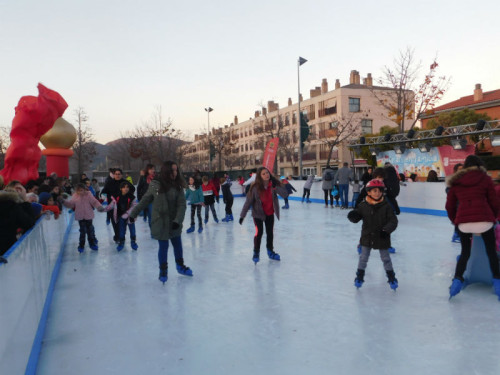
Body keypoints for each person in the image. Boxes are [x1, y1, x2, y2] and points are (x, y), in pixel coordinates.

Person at [445, 155, 500, 299]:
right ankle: (497, 282)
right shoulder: (485, 178)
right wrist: (492, 218)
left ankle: (457, 280)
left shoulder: (456, 181)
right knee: (491, 253)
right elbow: (494, 201)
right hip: (484, 221)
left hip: (464, 223)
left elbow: (449, 206)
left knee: (465, 253)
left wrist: (455, 221)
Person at [129, 161, 192, 283]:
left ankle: (180, 266)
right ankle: (163, 270)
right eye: (172, 170)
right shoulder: (155, 185)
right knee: (163, 247)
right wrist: (133, 213)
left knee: (177, 245)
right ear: (166, 171)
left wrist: (177, 220)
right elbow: (145, 200)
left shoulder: (178, 185)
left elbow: (182, 205)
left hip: (174, 221)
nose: (175, 172)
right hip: (160, 221)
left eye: (176, 170)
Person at [347, 179, 399, 290]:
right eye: (374, 191)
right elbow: (357, 217)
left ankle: (391, 278)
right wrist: (353, 217)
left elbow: (393, 221)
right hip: (367, 237)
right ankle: (359, 277)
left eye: (379, 191)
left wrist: (386, 231)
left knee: (386, 259)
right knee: (363, 258)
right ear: (369, 192)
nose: (377, 193)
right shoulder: (363, 205)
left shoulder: (386, 206)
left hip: (382, 236)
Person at [239, 167, 288, 264]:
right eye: (263, 174)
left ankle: (270, 251)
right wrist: (242, 215)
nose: (266, 175)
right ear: (259, 176)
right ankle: (256, 252)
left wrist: (276, 186)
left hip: (270, 213)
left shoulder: (273, 185)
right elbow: (248, 202)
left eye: (267, 173)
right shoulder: (254, 187)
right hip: (258, 214)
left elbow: (285, 195)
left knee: (270, 233)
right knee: (259, 233)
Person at [60, 183, 111, 253]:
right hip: (80, 216)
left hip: (88, 216)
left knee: (90, 231)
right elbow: (70, 204)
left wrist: (99, 207)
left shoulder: (88, 195)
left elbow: (94, 202)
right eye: (78, 190)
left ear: (84, 190)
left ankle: (92, 244)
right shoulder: (75, 196)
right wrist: (64, 202)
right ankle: (81, 245)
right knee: (82, 232)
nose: (80, 192)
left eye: (82, 190)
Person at [0, 182, 36, 258]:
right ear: (18, 190)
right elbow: (29, 222)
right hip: (7, 249)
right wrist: (25, 200)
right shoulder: (12, 206)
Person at [101, 168, 135, 243]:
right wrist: (102, 196)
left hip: (124, 206)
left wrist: (128, 195)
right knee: (115, 222)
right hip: (113, 206)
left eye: (119, 174)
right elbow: (104, 191)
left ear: (121, 175)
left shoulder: (125, 182)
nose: (117, 175)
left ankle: (120, 235)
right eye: (116, 174)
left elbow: (132, 188)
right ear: (114, 175)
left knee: (123, 223)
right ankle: (118, 236)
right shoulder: (109, 182)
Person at [111, 181, 138, 251]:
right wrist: (103, 209)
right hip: (121, 217)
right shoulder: (118, 196)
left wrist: (127, 213)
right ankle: (121, 242)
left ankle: (133, 242)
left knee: (132, 230)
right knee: (122, 230)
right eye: (124, 187)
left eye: (127, 187)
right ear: (121, 189)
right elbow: (112, 205)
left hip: (130, 216)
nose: (125, 189)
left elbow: (134, 206)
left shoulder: (132, 197)